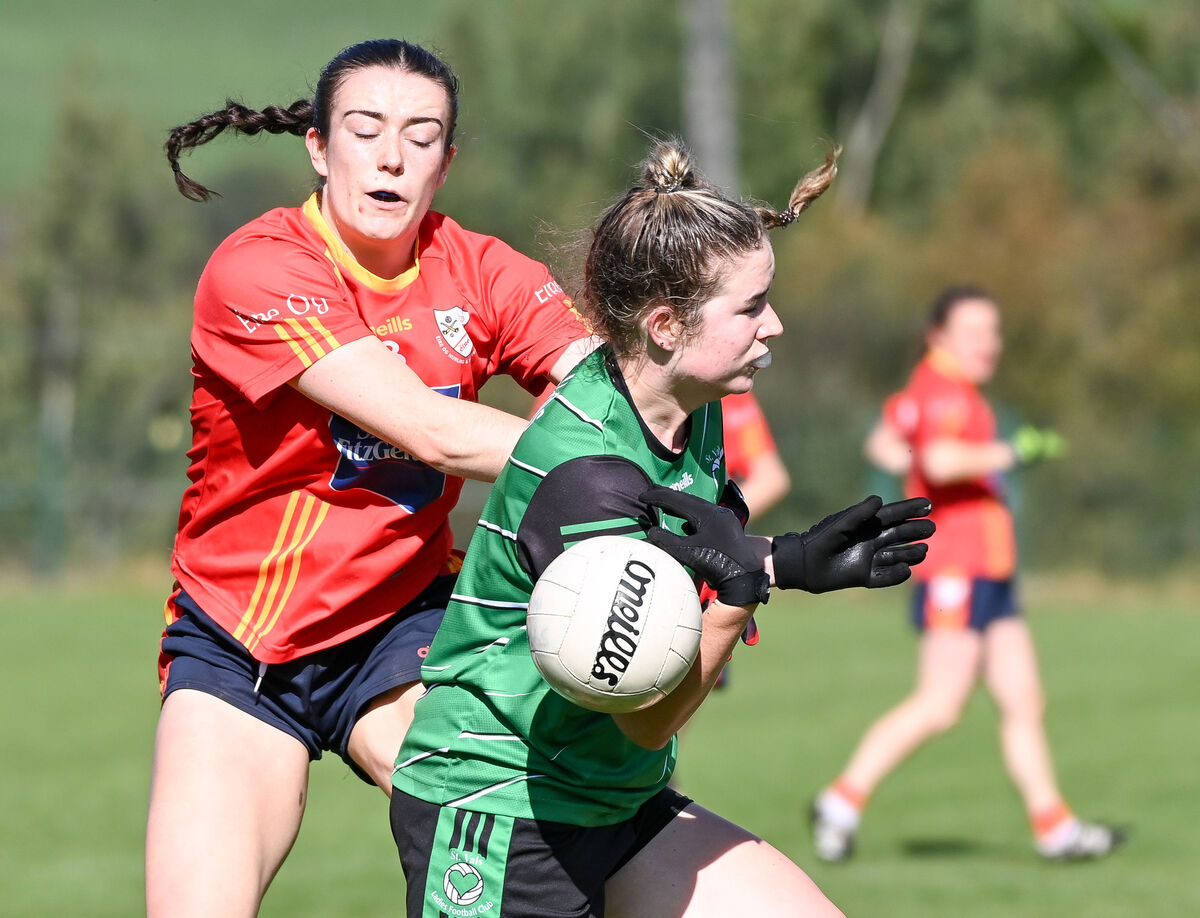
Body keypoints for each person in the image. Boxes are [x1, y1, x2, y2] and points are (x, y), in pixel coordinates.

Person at [390, 139, 935, 917]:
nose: (773, 325)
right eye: (750, 307)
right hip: (503, 808)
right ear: (665, 326)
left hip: (614, 798)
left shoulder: (690, 408)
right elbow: (646, 714)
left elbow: (680, 547)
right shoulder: (586, 479)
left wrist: (786, 560)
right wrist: (740, 595)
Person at [146, 39, 597, 918]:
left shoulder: (485, 271)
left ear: (446, 162)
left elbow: (602, 401)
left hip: (402, 633)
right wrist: (605, 473)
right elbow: (431, 431)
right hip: (244, 645)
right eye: (367, 129)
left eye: (421, 136)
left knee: (548, 848)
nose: (392, 155)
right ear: (319, 147)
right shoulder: (257, 266)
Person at [809, 285, 1124, 863]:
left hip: (990, 568)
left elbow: (886, 440)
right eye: (974, 332)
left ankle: (1054, 827)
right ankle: (840, 802)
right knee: (940, 704)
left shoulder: (940, 392)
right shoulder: (944, 390)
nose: (989, 344)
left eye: (994, 331)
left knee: (1023, 698)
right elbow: (939, 460)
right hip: (955, 568)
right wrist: (1011, 453)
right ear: (938, 337)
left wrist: (907, 458)